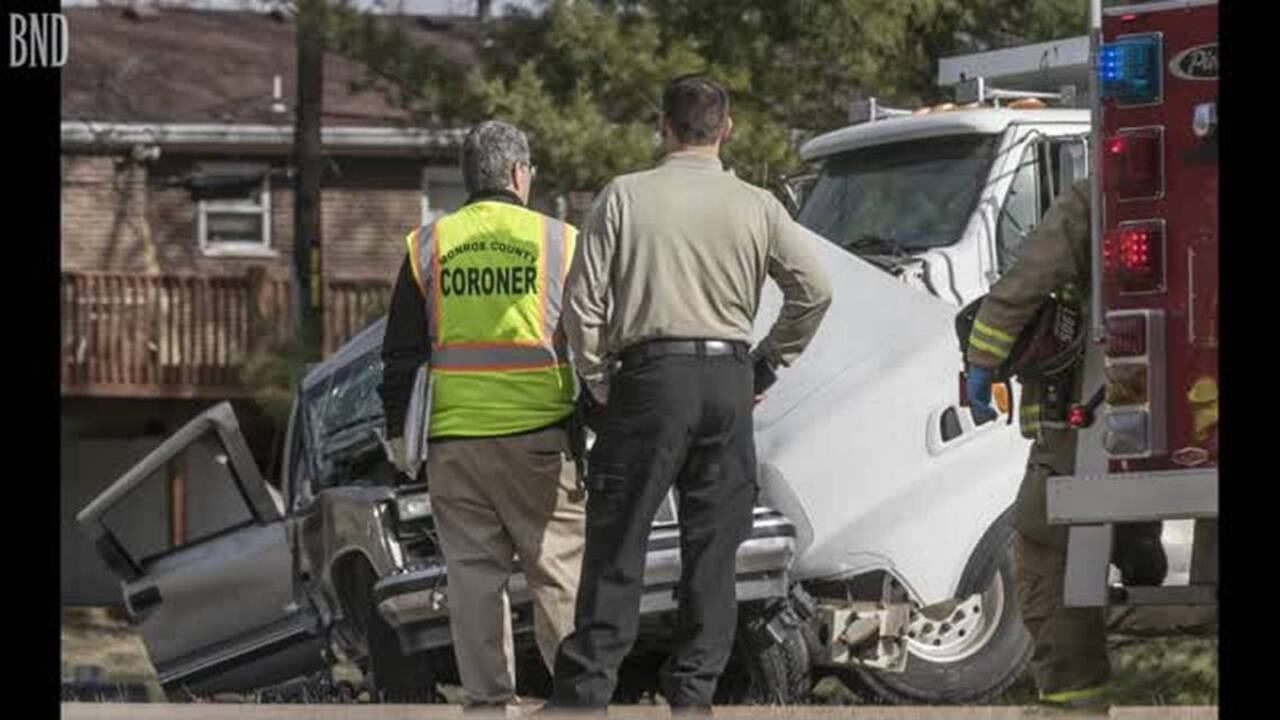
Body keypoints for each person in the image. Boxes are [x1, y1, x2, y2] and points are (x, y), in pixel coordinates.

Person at [547, 74, 833, 713]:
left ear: (662, 127)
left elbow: (581, 304)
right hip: (728, 379)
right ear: (726, 129)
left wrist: (598, 380)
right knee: (713, 549)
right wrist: (767, 363)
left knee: (620, 540)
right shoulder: (758, 205)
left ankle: (585, 696)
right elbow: (815, 290)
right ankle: (694, 695)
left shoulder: (624, 197)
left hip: (649, 378)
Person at [378, 120, 585, 712]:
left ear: (470, 178)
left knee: (473, 578)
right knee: (558, 574)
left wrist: (399, 437)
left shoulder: (428, 246)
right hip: (540, 437)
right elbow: (592, 340)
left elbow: (399, 355)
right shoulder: (560, 241)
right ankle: (575, 699)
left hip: (454, 441)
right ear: (520, 174)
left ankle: (489, 704)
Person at [964, 178, 1167, 708]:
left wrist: (981, 360)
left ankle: (1073, 700)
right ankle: (1139, 540)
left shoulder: (1102, 193)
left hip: (1122, 400)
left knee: (1045, 534)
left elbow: (1030, 278)